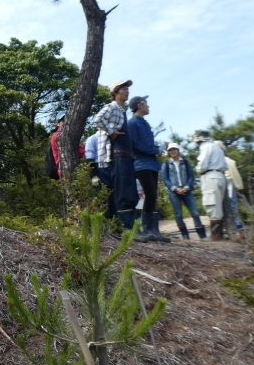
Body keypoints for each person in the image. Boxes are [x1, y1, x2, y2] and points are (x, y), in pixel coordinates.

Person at [94, 79, 149, 241]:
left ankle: (127, 228)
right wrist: (111, 131)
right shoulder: (112, 106)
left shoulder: (122, 110)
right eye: (124, 88)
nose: (127, 91)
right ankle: (130, 230)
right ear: (116, 92)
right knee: (124, 192)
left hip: (126, 154)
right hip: (117, 154)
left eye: (127, 88)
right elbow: (97, 119)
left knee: (129, 192)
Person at [127, 95, 170, 243]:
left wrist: (158, 148)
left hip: (151, 163)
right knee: (150, 193)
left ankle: (153, 229)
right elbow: (136, 146)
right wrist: (155, 150)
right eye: (146, 104)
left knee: (153, 195)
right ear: (140, 105)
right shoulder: (132, 123)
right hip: (141, 163)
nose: (149, 106)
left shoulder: (144, 123)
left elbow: (147, 145)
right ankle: (146, 228)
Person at [161, 142, 207, 240]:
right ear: (169, 152)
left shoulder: (186, 162)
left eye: (174, 149)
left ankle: (202, 236)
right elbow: (165, 179)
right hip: (174, 192)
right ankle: (185, 236)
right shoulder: (166, 164)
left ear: (178, 150)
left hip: (187, 191)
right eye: (170, 150)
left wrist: (186, 187)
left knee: (195, 212)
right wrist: (175, 188)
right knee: (178, 214)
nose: (173, 151)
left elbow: (191, 176)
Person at [193, 130, 228, 241]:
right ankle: (218, 235)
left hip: (210, 176)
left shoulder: (205, 147)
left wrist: (197, 170)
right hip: (220, 176)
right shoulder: (218, 148)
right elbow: (225, 166)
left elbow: (202, 166)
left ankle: (216, 237)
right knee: (218, 205)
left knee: (212, 205)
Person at [215, 140, 245, 233]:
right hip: (224, 185)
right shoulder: (226, 161)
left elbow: (233, 176)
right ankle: (233, 227)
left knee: (230, 208)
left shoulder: (227, 161)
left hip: (228, 185)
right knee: (228, 208)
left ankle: (236, 227)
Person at [49, 110, 85, 179]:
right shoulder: (58, 135)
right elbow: (80, 151)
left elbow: (81, 152)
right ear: (58, 123)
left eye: (68, 119)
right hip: (62, 169)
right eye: (63, 120)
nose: (66, 122)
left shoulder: (68, 135)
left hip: (65, 169)